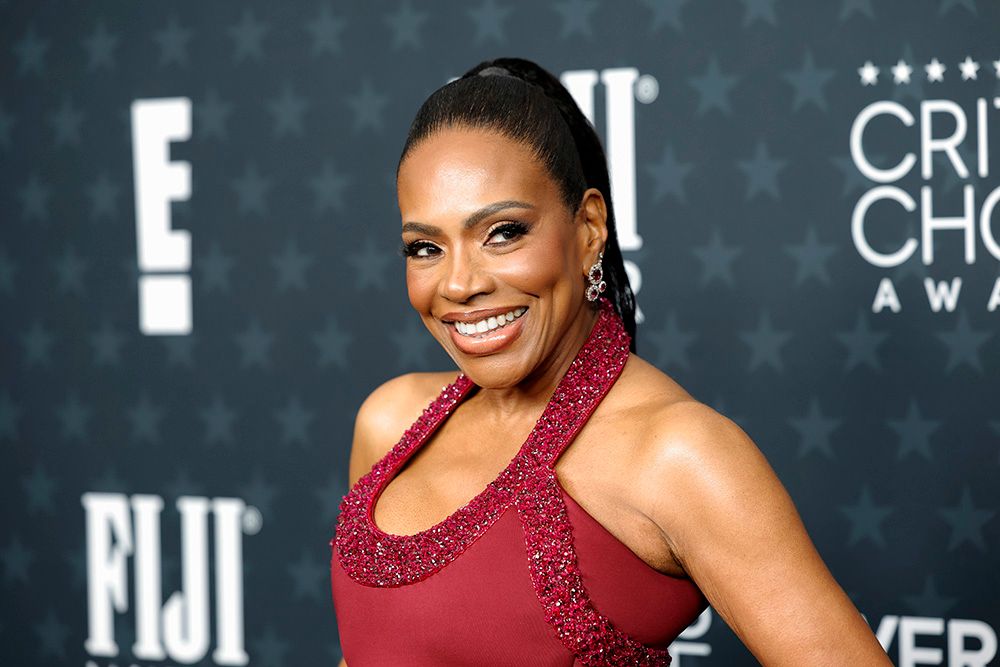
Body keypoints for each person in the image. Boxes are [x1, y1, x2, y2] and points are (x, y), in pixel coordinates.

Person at [330, 57, 892, 666]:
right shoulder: (389, 421)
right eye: (425, 247)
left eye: (503, 233)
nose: (460, 284)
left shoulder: (677, 455)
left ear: (589, 228)